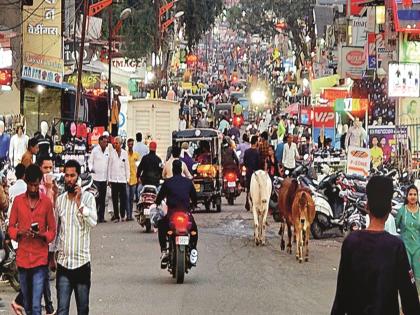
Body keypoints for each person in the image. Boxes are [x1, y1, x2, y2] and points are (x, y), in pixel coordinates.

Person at [331, 176, 420, 315]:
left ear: (367, 206)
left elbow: (341, 296)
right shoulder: (396, 247)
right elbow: (410, 301)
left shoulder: (351, 242)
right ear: (390, 208)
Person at [8, 164, 56, 315]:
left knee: (36, 305)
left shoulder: (46, 203)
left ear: (39, 183)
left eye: (36, 185)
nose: (34, 189)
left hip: (40, 259)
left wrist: (42, 235)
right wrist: (20, 233)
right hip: (23, 258)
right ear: (26, 183)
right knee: (28, 305)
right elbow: (10, 227)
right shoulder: (18, 201)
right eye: (31, 185)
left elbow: (52, 230)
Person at [53, 160, 97, 315]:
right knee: (62, 310)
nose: (69, 179)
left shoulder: (88, 198)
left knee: (83, 309)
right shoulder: (60, 201)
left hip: (81, 264)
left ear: (78, 177)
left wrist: (80, 204)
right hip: (64, 264)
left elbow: (93, 222)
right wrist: (52, 254)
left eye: (72, 175)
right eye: (67, 176)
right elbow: (57, 230)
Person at [155, 160, 198, 267]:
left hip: (172, 214)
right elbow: (195, 198)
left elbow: (159, 197)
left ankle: (164, 250)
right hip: (186, 213)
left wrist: (157, 203)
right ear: (182, 170)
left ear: (173, 170)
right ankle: (193, 249)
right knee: (194, 230)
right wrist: (193, 205)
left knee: (161, 225)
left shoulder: (168, 182)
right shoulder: (188, 182)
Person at [395, 185, 420, 292]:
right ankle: (405, 303)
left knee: (418, 274)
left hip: (418, 248)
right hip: (405, 247)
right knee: (407, 274)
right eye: (410, 194)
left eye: (415, 194)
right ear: (406, 196)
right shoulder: (402, 211)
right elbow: (395, 228)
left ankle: (417, 299)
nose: (413, 197)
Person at [108, 136, 130, 222]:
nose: (115, 144)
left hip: (122, 179)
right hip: (114, 179)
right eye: (114, 143)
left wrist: (127, 179)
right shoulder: (112, 153)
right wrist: (109, 179)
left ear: (120, 144)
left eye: (117, 143)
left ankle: (122, 215)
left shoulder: (124, 153)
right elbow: (109, 167)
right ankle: (116, 216)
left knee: (123, 199)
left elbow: (127, 167)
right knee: (115, 199)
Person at [88, 135, 109, 223]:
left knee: (102, 199)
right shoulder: (95, 151)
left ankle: (101, 217)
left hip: (104, 178)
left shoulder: (108, 151)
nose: (105, 143)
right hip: (96, 178)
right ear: (100, 142)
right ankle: (95, 216)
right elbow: (90, 161)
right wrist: (91, 168)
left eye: (106, 142)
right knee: (96, 198)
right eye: (104, 142)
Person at [243, 136, 261, 211]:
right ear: (256, 142)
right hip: (256, 173)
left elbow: (244, 162)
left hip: (249, 172)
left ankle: (248, 202)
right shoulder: (257, 152)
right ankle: (254, 203)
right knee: (256, 189)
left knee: (249, 188)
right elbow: (259, 164)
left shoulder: (247, 152)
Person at [126, 138, 140, 221]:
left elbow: (138, 167)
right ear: (127, 145)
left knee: (131, 198)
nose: (130, 146)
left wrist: (139, 177)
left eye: (132, 144)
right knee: (127, 198)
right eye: (129, 144)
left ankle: (130, 215)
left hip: (134, 179)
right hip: (127, 179)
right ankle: (128, 215)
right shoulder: (125, 154)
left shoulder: (136, 155)